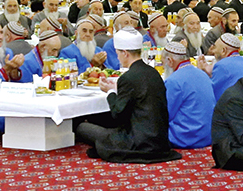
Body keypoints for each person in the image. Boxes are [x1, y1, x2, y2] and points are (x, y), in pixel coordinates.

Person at [74, 28, 180, 163]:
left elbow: (118, 114)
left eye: (118, 53)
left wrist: (110, 92)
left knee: (82, 128)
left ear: (125, 53)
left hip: (137, 141)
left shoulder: (128, 77)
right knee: (96, 119)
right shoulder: (153, 72)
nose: (117, 57)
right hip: (160, 139)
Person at [162, 41, 214, 149]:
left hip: (185, 137)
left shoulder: (173, 81)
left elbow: (166, 114)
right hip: (208, 135)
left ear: (170, 61)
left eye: (163, 63)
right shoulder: (202, 74)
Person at [210, 33, 243, 100]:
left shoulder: (222, 65)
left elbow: (211, 92)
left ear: (224, 51)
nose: (212, 51)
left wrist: (202, 73)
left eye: (215, 47)